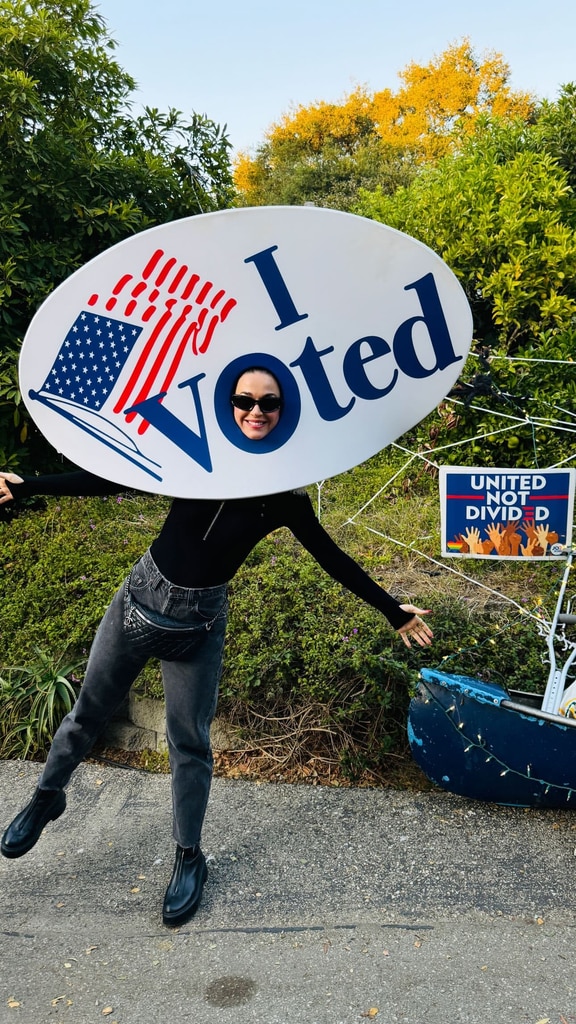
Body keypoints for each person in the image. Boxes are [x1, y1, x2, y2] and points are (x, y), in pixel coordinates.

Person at [0, 367, 432, 926]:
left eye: (269, 403)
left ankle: (188, 858)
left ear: (284, 411)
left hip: (199, 624)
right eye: (244, 400)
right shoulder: (195, 458)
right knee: (88, 712)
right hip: (138, 601)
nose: (256, 410)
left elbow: (332, 560)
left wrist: (391, 608)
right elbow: (113, 479)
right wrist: (27, 485)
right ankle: (46, 797)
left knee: (190, 743)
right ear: (229, 404)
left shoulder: (284, 497)